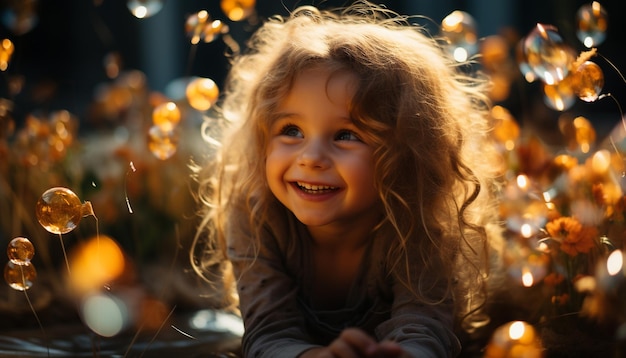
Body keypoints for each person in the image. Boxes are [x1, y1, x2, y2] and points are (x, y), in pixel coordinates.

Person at [191, 1, 502, 357]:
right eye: (291, 130)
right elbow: (268, 335)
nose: (310, 158)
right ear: (262, 138)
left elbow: (425, 330)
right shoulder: (257, 215)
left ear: (406, 154)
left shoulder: (420, 224)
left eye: (346, 135)